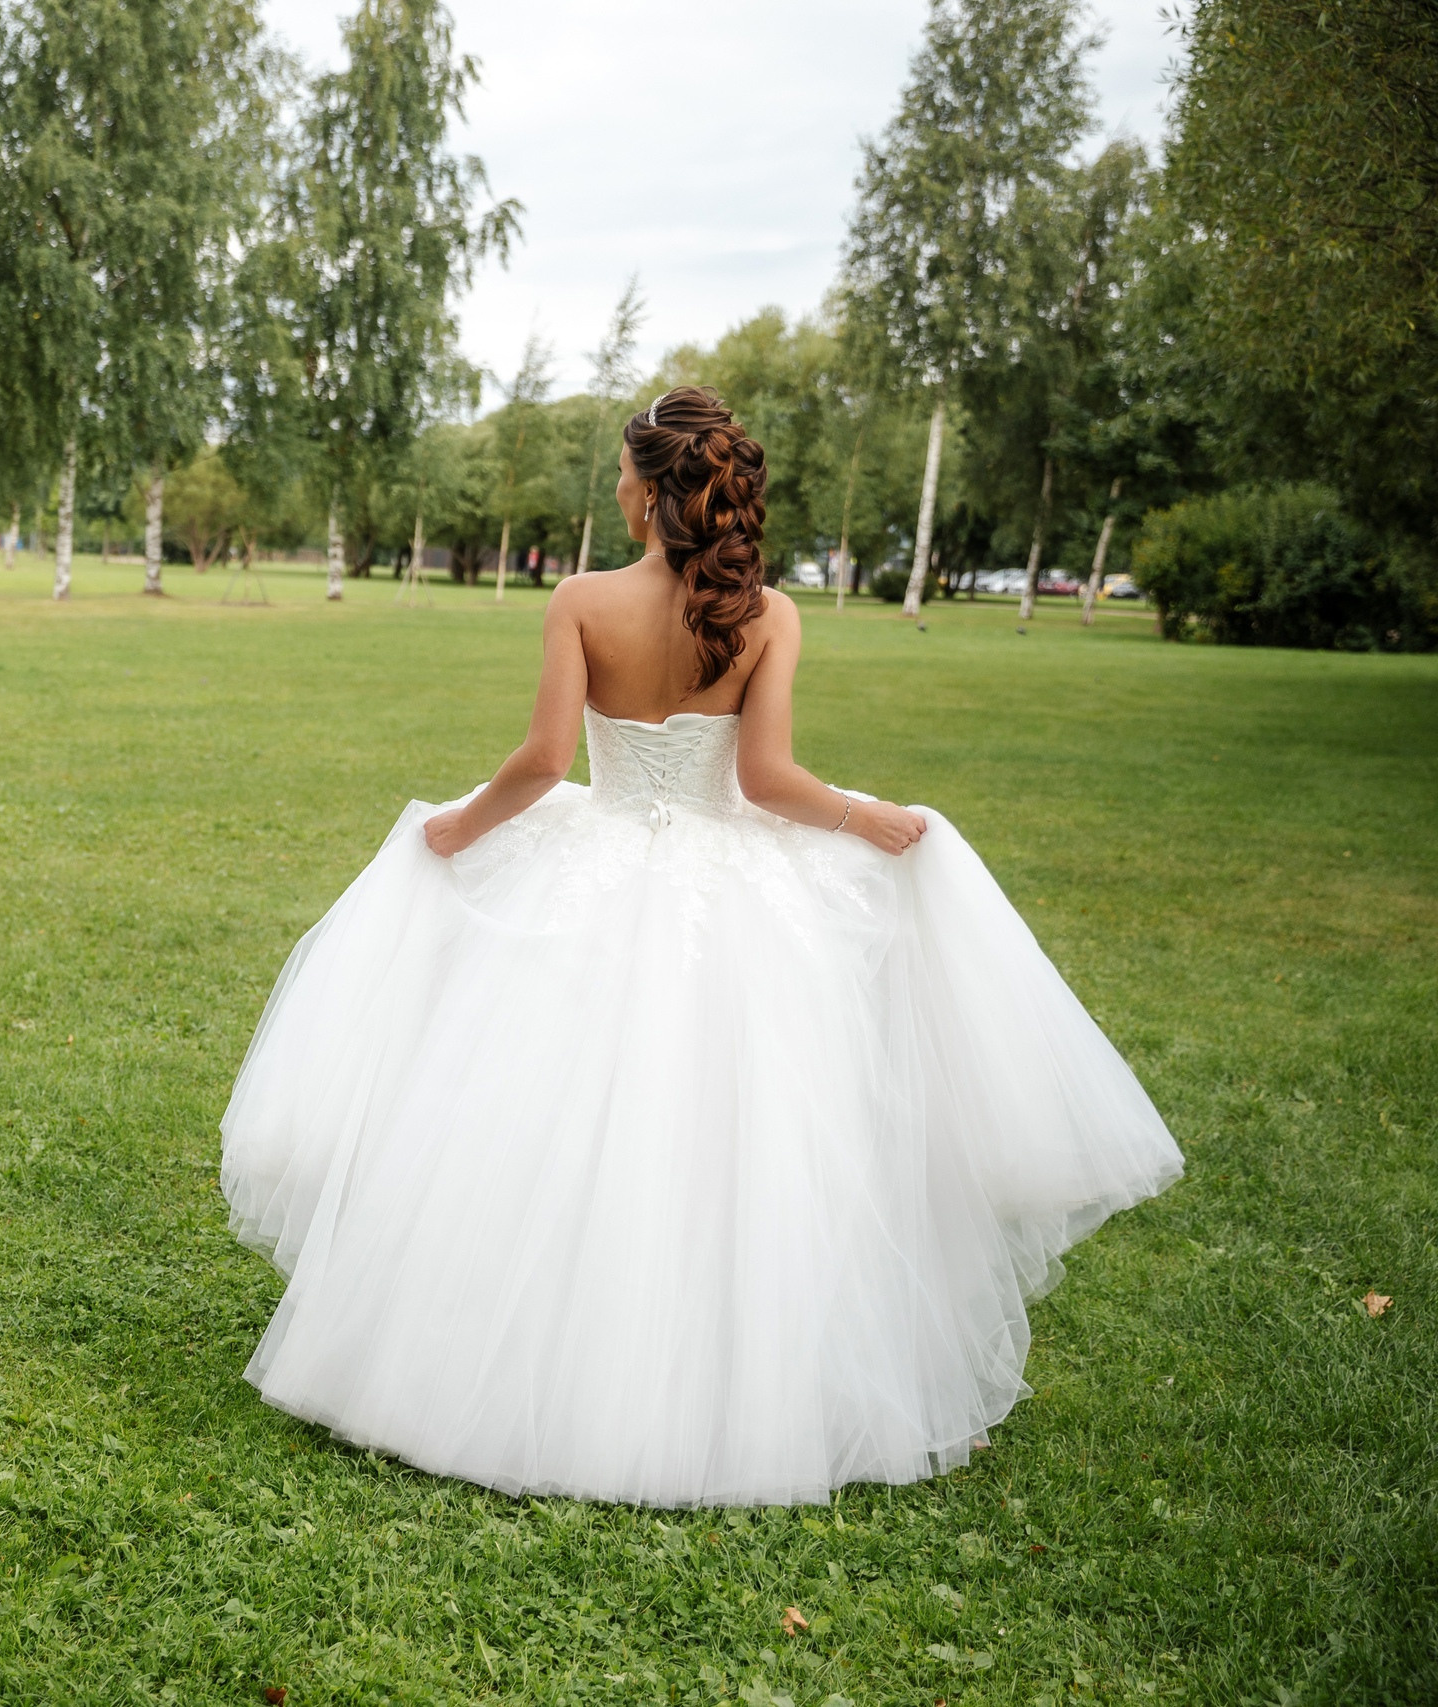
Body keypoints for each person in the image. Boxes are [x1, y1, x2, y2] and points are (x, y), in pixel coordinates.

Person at [219, 385, 1181, 1509]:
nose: (616, 488)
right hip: (732, 887)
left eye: (621, 474)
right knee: (744, 1125)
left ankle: (505, 1359)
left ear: (647, 494)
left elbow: (542, 763)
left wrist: (455, 829)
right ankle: (730, 1376)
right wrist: (863, 818)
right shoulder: (768, 614)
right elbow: (766, 780)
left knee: (543, 1109)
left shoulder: (580, 601)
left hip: (596, 863)